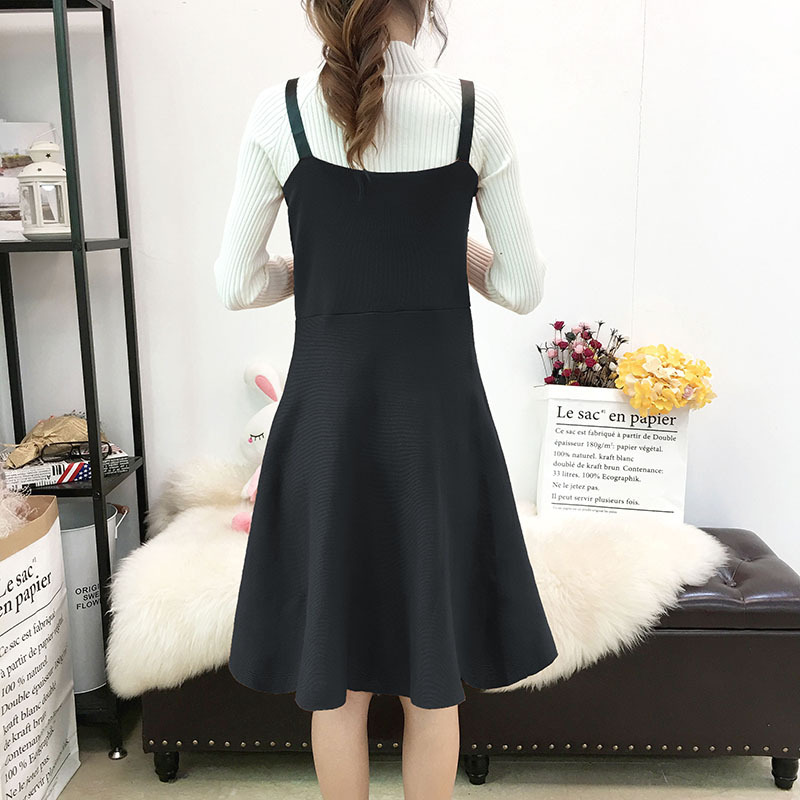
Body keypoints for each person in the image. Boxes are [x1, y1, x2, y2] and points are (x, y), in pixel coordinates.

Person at [213, 2, 558, 798]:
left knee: (336, 681)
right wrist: (441, 250)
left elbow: (237, 283)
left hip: (327, 428)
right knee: (432, 682)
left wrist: (318, 268)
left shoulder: (280, 112)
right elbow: (520, 286)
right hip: (436, 431)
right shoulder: (474, 113)